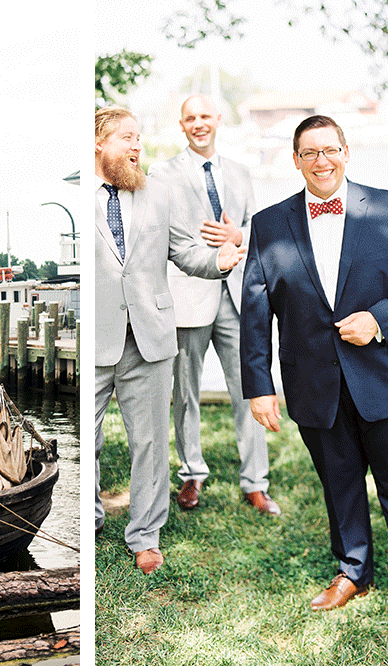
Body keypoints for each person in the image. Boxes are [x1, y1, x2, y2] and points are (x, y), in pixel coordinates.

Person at [240, 115, 388, 624]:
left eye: (329, 150)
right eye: (309, 153)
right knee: (340, 484)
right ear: (295, 160)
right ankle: (353, 571)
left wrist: (379, 320)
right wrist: (259, 387)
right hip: (314, 383)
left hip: (387, 376)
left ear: (346, 151)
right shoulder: (269, 223)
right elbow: (255, 309)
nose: (321, 161)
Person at [95, 106, 245, 574]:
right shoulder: (82, 194)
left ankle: (145, 534)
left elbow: (184, 250)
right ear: (99, 143)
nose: (136, 146)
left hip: (151, 338)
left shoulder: (156, 191)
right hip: (96, 340)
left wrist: (220, 260)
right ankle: (93, 515)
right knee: (91, 439)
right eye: (126, 138)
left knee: (150, 443)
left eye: (139, 138)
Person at [148, 95, 278, 515]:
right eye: (191, 118)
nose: (199, 123)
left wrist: (238, 236)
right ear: (181, 125)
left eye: (206, 116)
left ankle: (255, 482)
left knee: (250, 389)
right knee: (186, 393)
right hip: (188, 293)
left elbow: (256, 226)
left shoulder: (240, 172)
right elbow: (161, 233)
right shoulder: (162, 173)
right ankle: (191, 475)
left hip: (238, 296)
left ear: (219, 120)